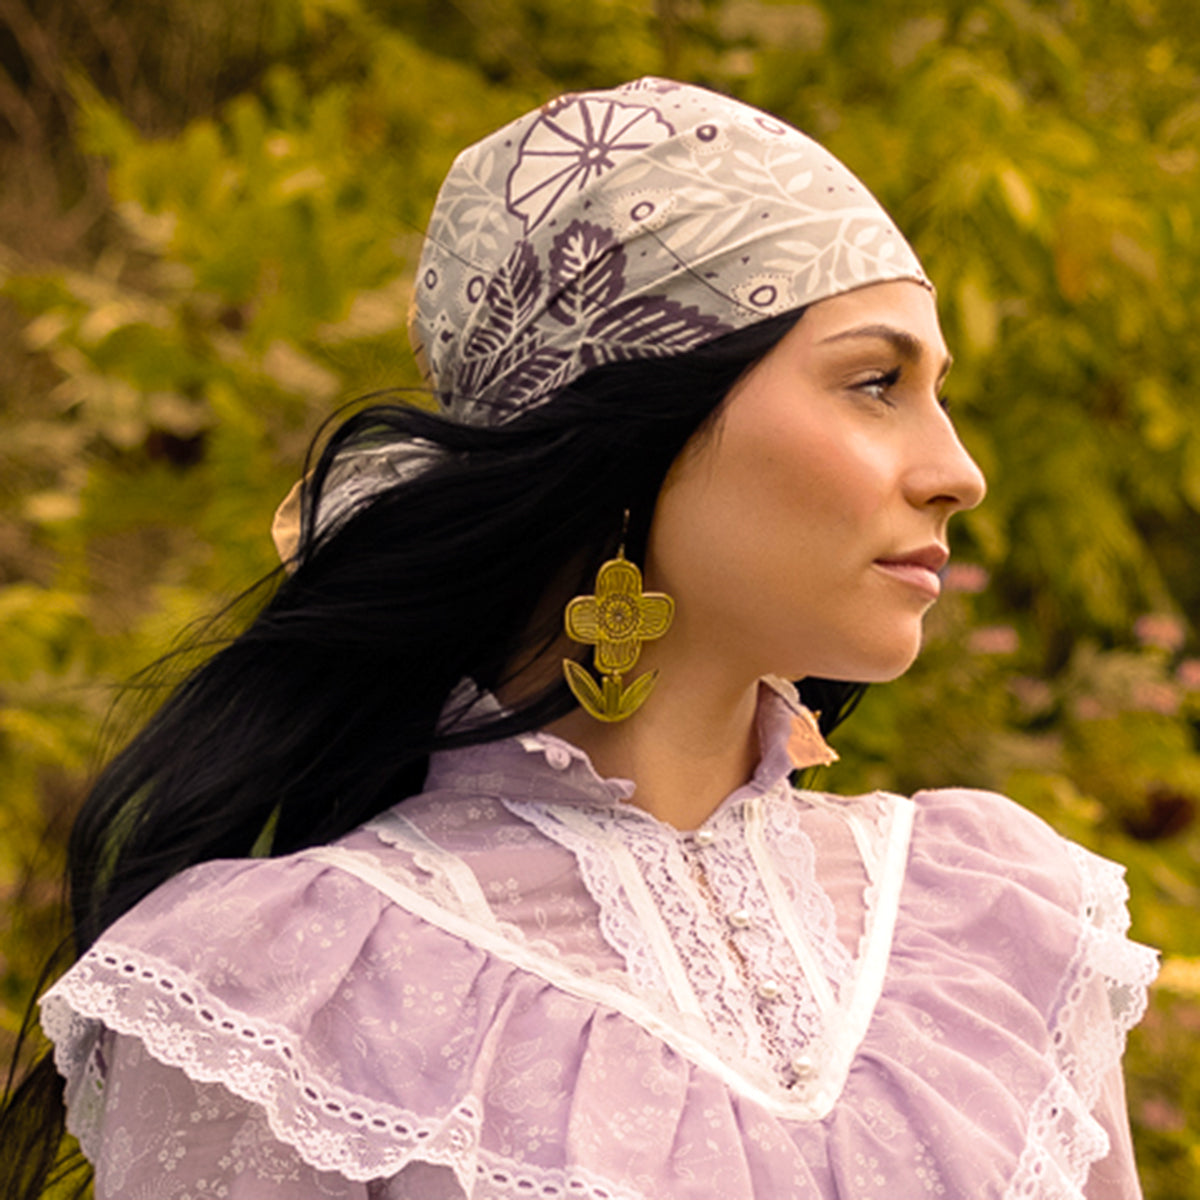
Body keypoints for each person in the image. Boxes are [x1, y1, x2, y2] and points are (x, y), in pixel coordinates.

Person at [2, 78, 1157, 1200]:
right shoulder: (278, 995)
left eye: (938, 393)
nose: (959, 472)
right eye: (873, 382)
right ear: (634, 421)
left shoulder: (1000, 917)